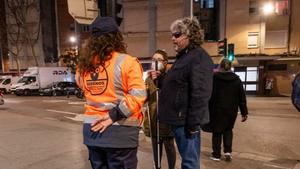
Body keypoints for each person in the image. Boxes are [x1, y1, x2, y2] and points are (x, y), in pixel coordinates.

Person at [75, 16, 146, 169]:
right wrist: (112, 115)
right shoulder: (127, 62)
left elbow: (84, 89)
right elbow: (138, 95)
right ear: (116, 37)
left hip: (92, 131)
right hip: (120, 132)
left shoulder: (83, 66)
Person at [157, 17, 214, 169]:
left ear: (189, 35)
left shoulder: (198, 58)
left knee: (189, 162)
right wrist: (160, 79)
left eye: (176, 35)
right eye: (172, 35)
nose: (172, 39)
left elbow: (201, 94)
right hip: (179, 119)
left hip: (186, 122)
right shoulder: (185, 57)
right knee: (188, 160)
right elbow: (176, 85)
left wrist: (193, 124)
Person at [209, 59, 248, 162]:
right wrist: (244, 112)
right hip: (231, 111)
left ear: (220, 66)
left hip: (216, 110)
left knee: (217, 131)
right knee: (228, 130)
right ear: (230, 67)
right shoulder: (237, 79)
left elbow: (209, 94)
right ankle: (228, 151)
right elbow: (242, 97)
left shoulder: (214, 78)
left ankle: (216, 154)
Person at [143, 50, 176, 169]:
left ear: (165, 62)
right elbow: (145, 98)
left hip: (166, 118)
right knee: (156, 146)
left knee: (169, 146)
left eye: (158, 60)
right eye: (153, 60)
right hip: (153, 117)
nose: (155, 62)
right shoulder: (148, 79)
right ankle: (157, 166)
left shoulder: (169, 77)